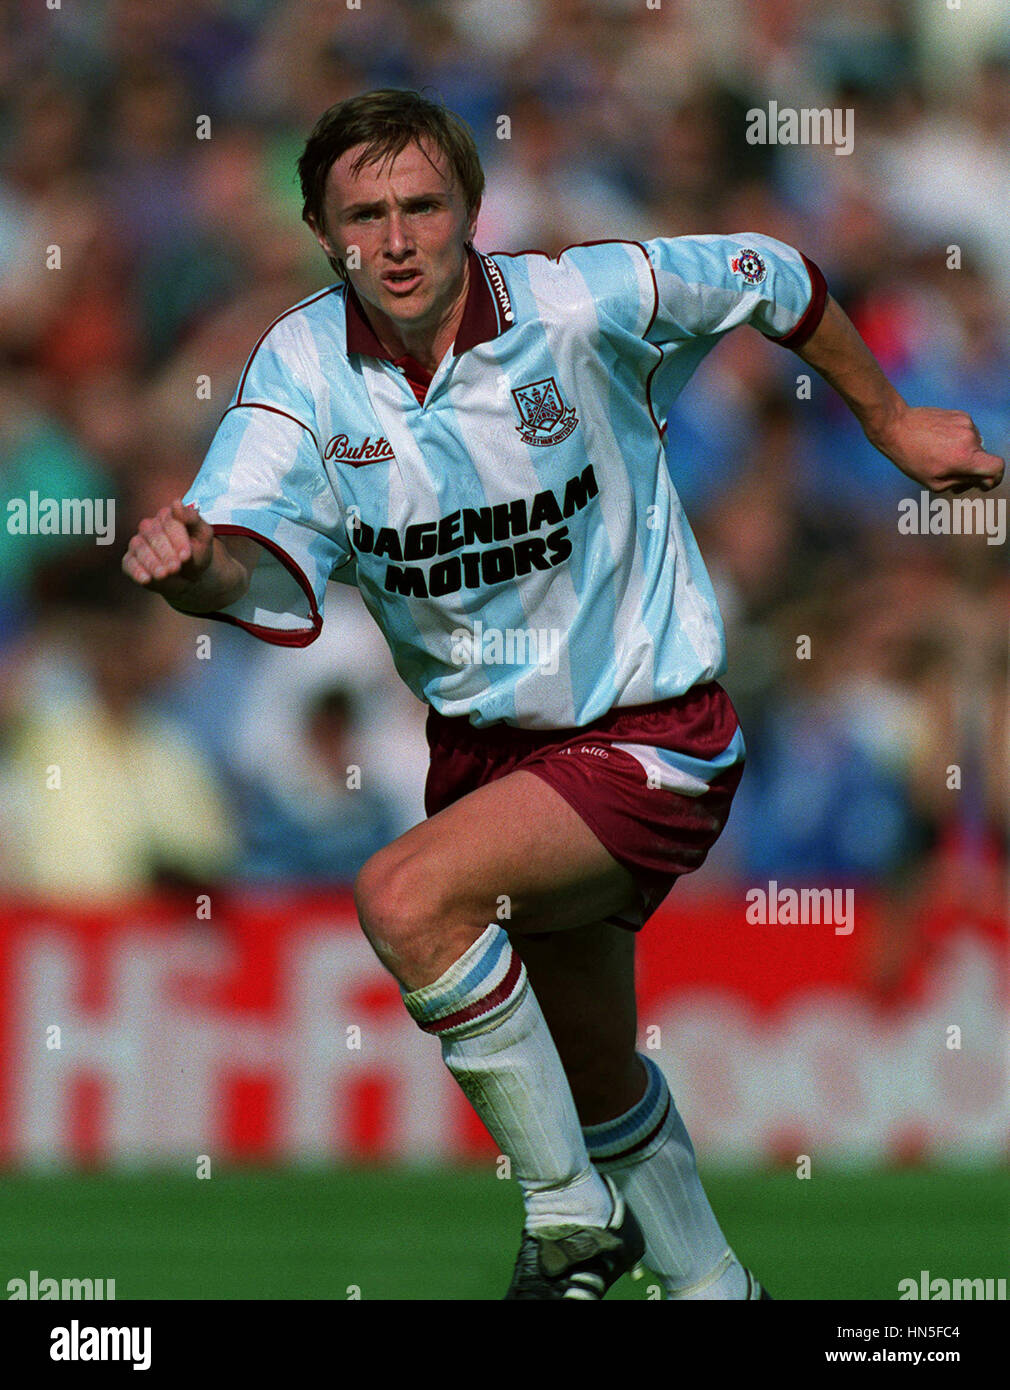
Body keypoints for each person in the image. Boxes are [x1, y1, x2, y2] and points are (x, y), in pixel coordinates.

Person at [121, 89, 1003, 1300]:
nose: (396, 238)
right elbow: (246, 553)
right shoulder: (301, 365)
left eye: (422, 205)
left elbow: (771, 270)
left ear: (471, 211)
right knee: (596, 1079)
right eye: (363, 214)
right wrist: (189, 568)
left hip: (653, 733)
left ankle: (564, 1217)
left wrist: (892, 421)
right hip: (489, 758)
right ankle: (712, 1287)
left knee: (404, 895)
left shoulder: (580, 302)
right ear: (324, 233)